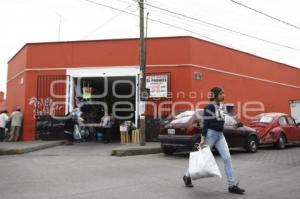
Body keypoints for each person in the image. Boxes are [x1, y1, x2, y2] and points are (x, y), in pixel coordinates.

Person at [183, 86, 246, 194]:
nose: (224, 95)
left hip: (220, 136)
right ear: (216, 96)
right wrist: (203, 139)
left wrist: (235, 124)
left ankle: (232, 185)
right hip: (211, 135)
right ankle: (187, 175)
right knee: (202, 157)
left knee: (227, 158)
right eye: (222, 93)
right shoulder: (209, 107)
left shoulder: (221, 106)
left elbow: (222, 119)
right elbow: (206, 123)